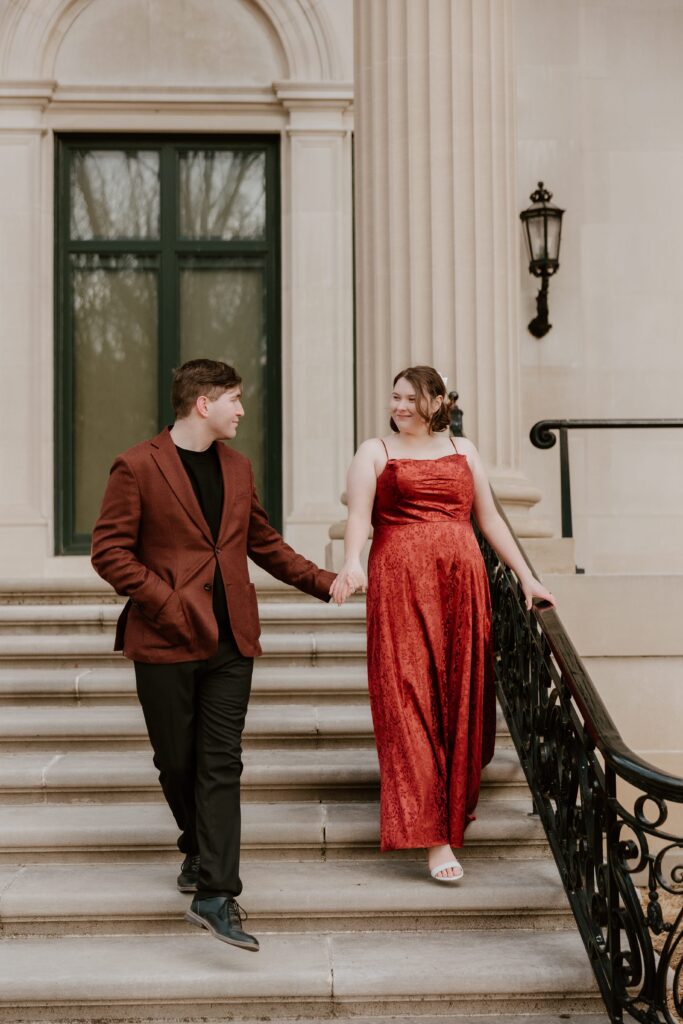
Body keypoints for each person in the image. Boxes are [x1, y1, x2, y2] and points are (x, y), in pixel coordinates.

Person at [91, 359, 336, 950]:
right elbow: (109, 552)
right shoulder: (137, 465)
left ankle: (217, 894)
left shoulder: (239, 467)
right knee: (177, 761)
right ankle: (197, 850)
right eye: (235, 398)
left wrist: (324, 582)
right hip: (165, 638)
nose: (242, 410)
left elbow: (264, 543)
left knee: (222, 763)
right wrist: (166, 601)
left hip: (232, 641)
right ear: (203, 403)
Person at [330, 366, 555, 881]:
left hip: (461, 580)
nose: (400, 406)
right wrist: (352, 561)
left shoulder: (464, 449)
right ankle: (434, 838)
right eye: (395, 397)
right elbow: (360, 518)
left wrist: (525, 578)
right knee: (407, 697)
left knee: (459, 697)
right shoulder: (374, 451)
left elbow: (490, 518)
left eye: (411, 398)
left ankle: (448, 811)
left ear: (437, 401)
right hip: (400, 581)